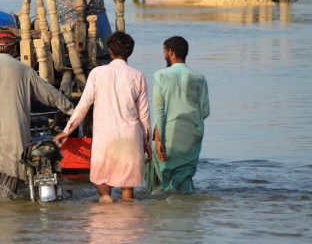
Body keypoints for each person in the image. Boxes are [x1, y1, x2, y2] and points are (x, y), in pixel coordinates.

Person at [0, 29, 74, 199]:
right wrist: (72, 110)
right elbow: (50, 94)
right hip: (13, 131)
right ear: (14, 49)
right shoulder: (24, 69)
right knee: (8, 185)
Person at [54, 32, 151, 202]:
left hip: (105, 136)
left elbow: (83, 105)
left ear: (110, 52)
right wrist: (147, 143)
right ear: (130, 52)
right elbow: (144, 115)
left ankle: (105, 212)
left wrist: (67, 131)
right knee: (127, 188)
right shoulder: (138, 76)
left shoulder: (98, 73)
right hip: (130, 136)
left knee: (103, 183)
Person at [144, 36, 210, 195]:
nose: (164, 55)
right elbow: (205, 111)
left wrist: (159, 140)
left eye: (164, 52)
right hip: (193, 134)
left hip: (170, 133)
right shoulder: (199, 77)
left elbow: (159, 110)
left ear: (171, 52)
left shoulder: (160, 75)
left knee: (162, 178)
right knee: (185, 176)